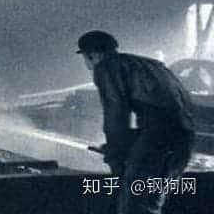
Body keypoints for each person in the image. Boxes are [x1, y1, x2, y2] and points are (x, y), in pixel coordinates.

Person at [77, 30, 195, 214]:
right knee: (151, 201)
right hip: (184, 138)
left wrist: (115, 152)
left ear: (92, 55)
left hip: (158, 138)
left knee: (134, 206)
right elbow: (173, 110)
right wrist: (133, 142)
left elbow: (115, 111)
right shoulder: (151, 65)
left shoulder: (107, 67)